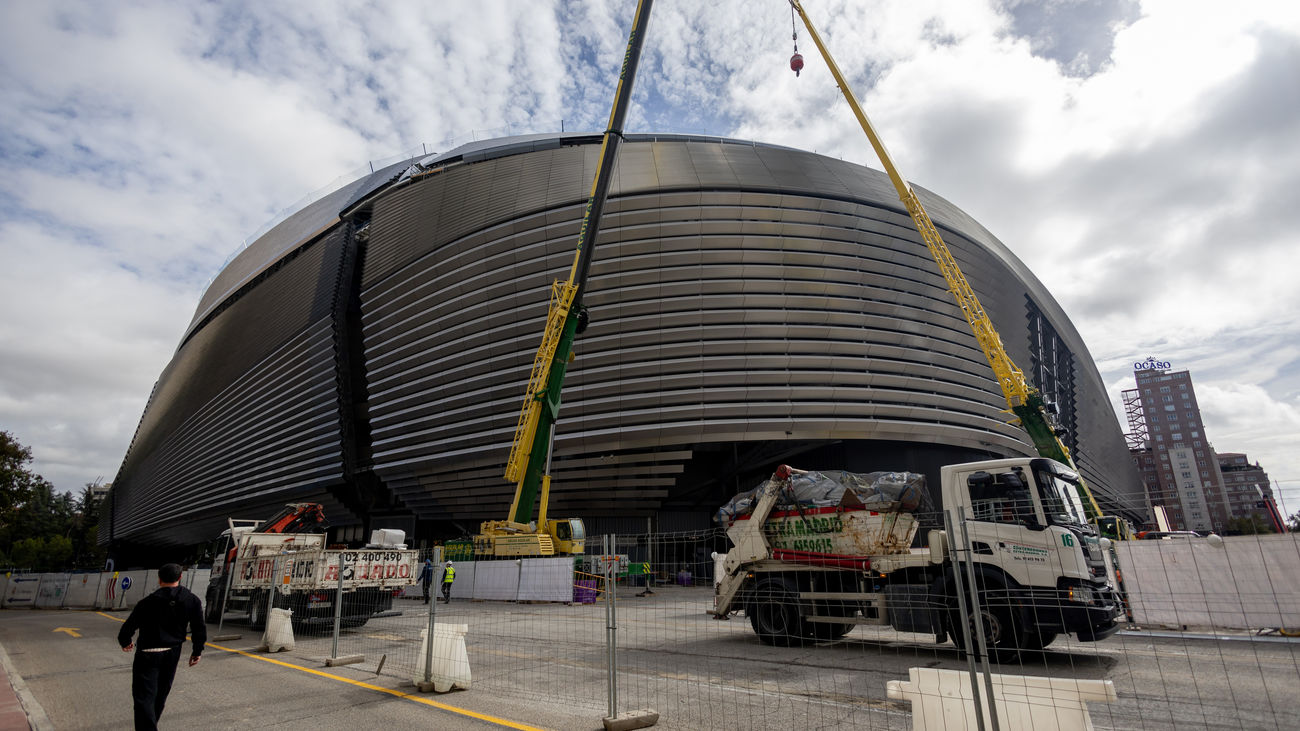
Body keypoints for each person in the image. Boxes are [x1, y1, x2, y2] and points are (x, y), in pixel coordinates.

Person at [117, 563, 206, 731]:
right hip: (172, 653)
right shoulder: (192, 600)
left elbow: (127, 628)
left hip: (148, 652)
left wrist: (126, 641)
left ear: (159, 580)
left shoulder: (147, 602)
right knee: (160, 695)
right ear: (180, 578)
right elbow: (198, 628)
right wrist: (197, 651)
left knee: (144, 698)